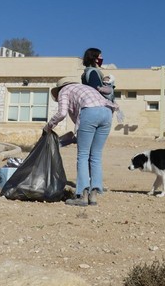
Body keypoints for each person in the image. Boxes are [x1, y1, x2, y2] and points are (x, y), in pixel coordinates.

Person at [43, 77, 118, 207]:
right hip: (107, 113)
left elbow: (61, 113)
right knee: (96, 156)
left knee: (83, 155)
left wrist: (49, 126)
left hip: (90, 113)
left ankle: (82, 197)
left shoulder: (64, 91)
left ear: (59, 89)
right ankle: (93, 196)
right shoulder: (86, 88)